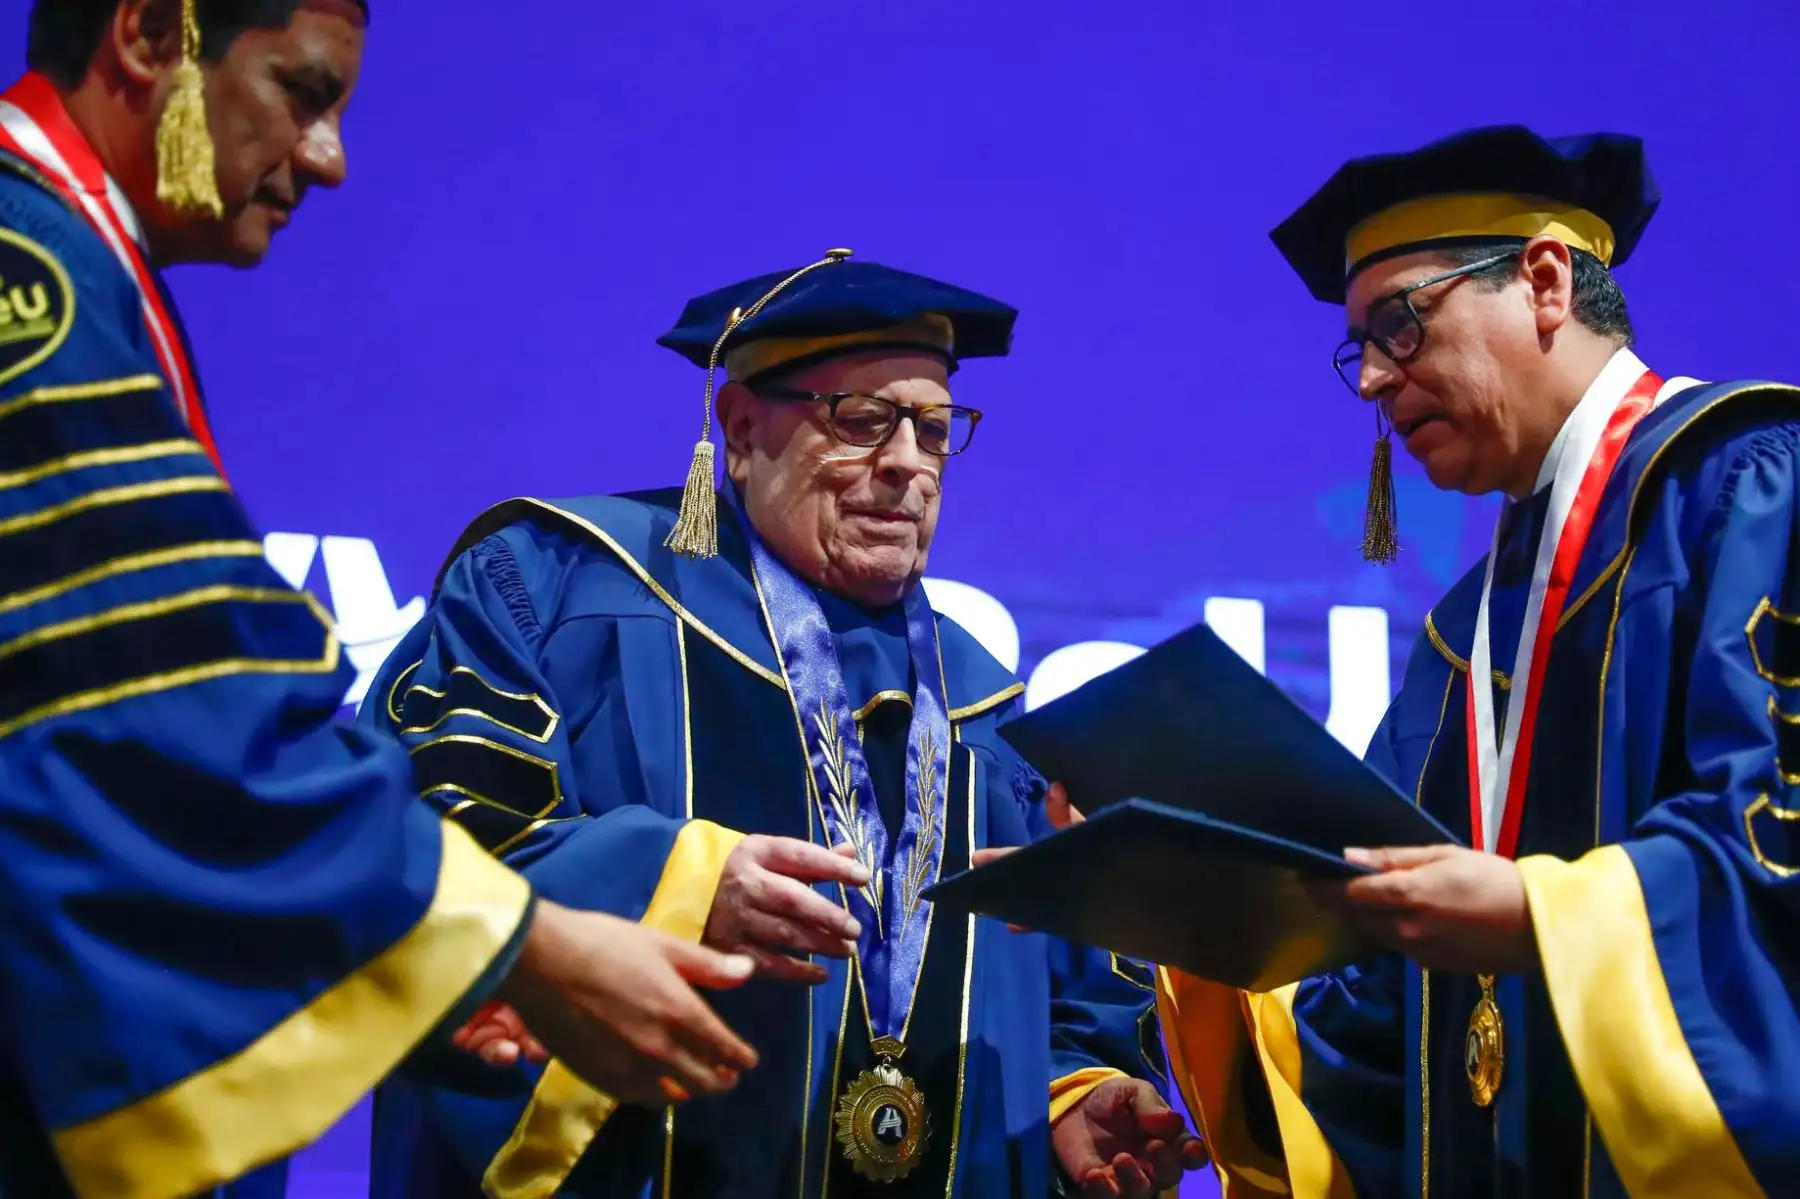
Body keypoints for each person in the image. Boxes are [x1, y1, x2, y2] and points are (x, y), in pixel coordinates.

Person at [0, 3, 763, 1196]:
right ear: (150, 35)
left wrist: (405, 958)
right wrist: (513, 942)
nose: (329, 157)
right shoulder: (30, 275)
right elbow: (169, 717)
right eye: (302, 92)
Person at [358, 250, 1208, 1199]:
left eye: (934, 429)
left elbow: (1070, 988)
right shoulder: (555, 589)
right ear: (741, 428)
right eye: (862, 420)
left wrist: (1065, 1098)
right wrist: (678, 882)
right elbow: (420, 848)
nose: (906, 465)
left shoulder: (985, 705)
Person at [1150, 124, 1800, 1198]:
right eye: (1354, 343)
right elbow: (1373, 1002)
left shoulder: (1745, 492)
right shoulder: (1467, 628)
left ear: (1545, 280)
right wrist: (1188, 903)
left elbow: (1772, 836)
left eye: (1399, 324)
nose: (1367, 378)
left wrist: (1543, 916)